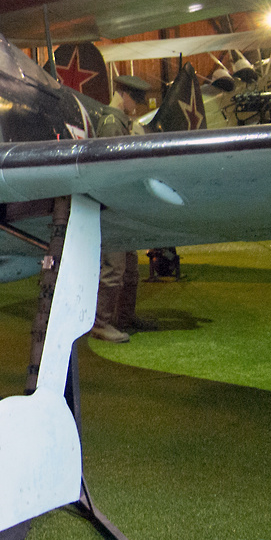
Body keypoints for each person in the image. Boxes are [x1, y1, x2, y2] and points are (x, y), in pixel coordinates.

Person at [91, 74, 150, 343]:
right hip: (113, 206)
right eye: (135, 100)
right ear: (124, 96)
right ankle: (101, 323)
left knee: (129, 268)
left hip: (119, 206)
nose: (136, 107)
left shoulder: (119, 122)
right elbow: (110, 170)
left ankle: (125, 316)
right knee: (114, 269)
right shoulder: (113, 124)